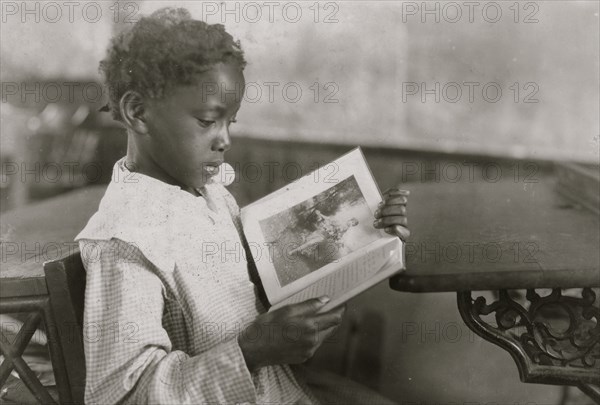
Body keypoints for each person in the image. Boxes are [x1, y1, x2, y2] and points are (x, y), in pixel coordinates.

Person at [76, 7, 410, 404]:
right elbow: (125, 397)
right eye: (207, 121)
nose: (224, 140)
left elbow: (261, 298)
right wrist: (251, 351)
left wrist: (365, 233)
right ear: (138, 111)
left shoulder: (209, 196)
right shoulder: (124, 241)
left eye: (229, 122)